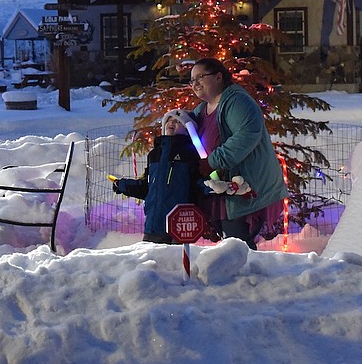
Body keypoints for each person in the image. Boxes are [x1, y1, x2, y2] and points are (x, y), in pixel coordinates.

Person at [187, 57, 287, 249]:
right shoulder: (200, 111)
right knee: (231, 246)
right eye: (192, 80)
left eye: (200, 77)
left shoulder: (236, 101)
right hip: (220, 191)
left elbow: (246, 135)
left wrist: (212, 162)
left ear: (218, 77)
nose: (195, 83)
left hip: (245, 188)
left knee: (239, 247)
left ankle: (250, 279)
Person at [111, 109, 209, 244]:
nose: (172, 123)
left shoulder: (190, 153)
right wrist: (122, 185)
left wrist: (212, 185)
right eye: (169, 120)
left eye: (178, 121)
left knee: (174, 263)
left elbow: (198, 183)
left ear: (187, 129)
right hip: (152, 225)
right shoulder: (154, 154)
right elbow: (147, 186)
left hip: (178, 226)